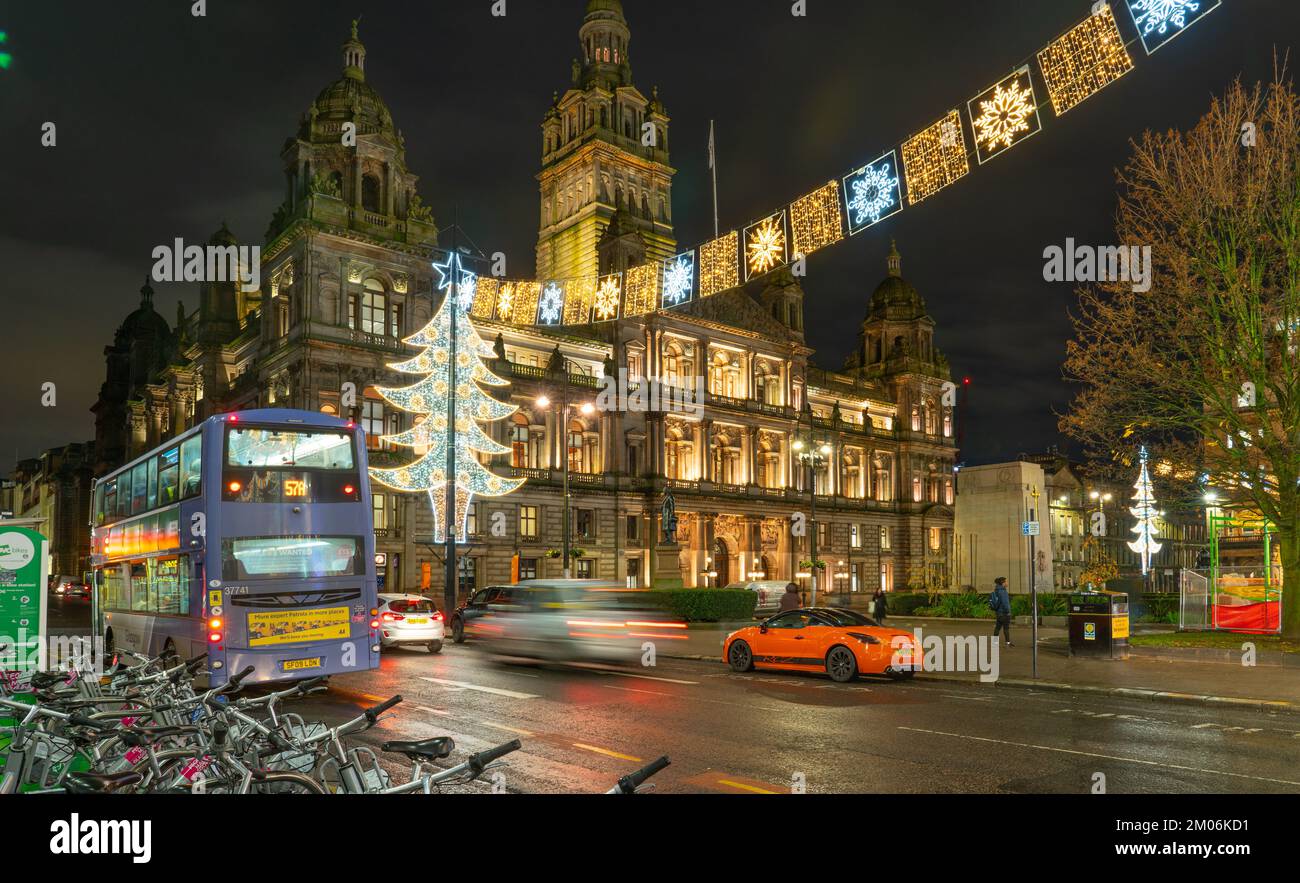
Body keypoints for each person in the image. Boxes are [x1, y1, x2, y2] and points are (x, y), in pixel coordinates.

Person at [990, 577, 1013, 647]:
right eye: (1006, 582)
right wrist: (1008, 612)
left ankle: (995, 643)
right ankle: (1008, 643)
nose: (1007, 583)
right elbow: (1005, 603)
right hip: (1004, 613)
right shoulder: (1003, 591)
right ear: (1003, 583)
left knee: (997, 628)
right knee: (1006, 628)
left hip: (999, 613)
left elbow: (998, 602)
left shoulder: (997, 590)